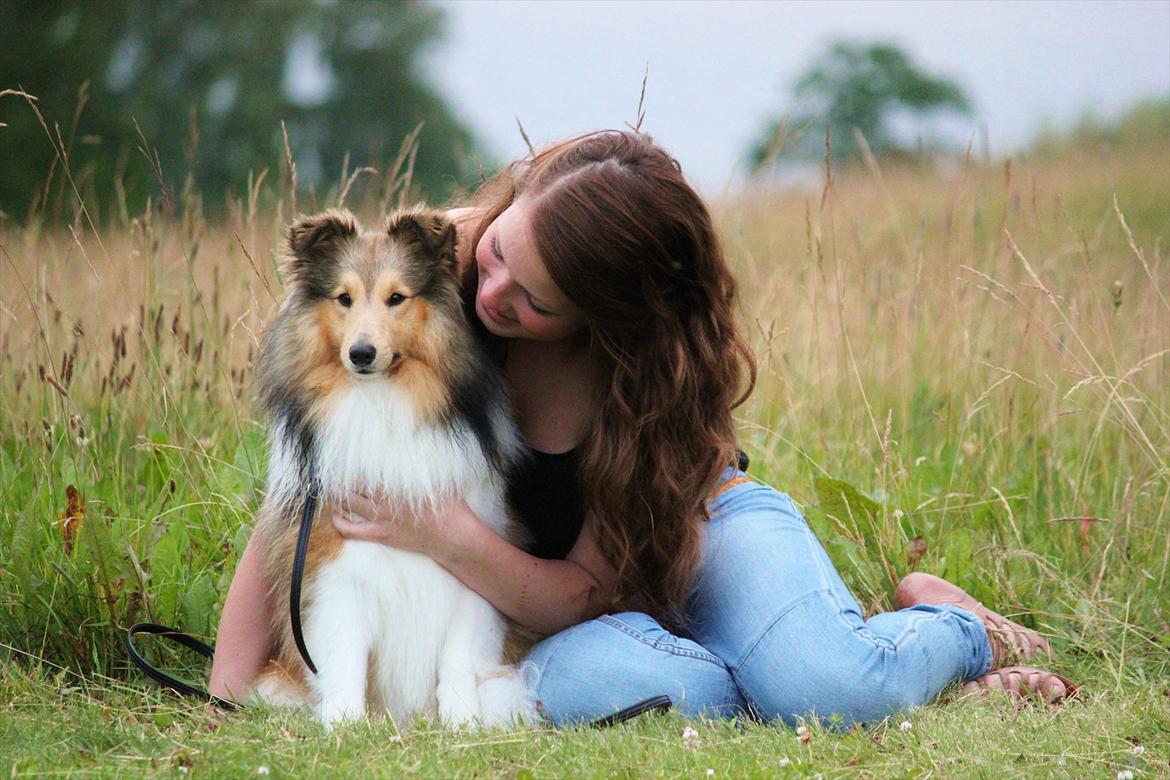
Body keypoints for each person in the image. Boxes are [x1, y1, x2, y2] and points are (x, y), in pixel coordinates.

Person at [209, 130, 1075, 724]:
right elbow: (310, 474)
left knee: (825, 684)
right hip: (556, 619)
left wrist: (440, 532)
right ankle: (774, 679)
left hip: (697, 541)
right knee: (601, 687)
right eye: (505, 251)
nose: (494, 293)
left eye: (536, 301)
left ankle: (955, 628)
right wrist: (227, 684)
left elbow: (584, 587)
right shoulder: (435, 265)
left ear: (606, 317)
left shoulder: (652, 374)